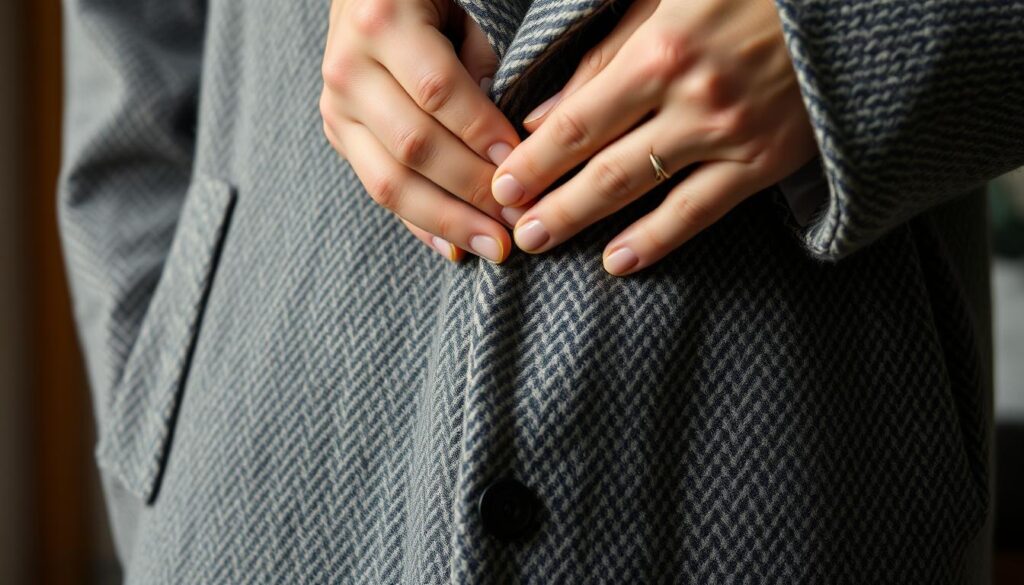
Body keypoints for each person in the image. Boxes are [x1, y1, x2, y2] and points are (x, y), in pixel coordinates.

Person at [56, 0, 1022, 582]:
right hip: (271, 475)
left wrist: (868, 31)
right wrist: (161, 444)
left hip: (798, 468)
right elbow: (131, 67)